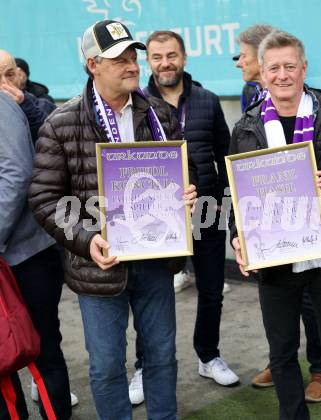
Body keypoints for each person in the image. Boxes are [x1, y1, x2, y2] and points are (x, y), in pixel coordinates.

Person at [28, 20, 197, 420]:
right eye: (118, 58)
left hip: (156, 261)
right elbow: (43, 198)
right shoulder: (61, 122)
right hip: (98, 267)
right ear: (92, 64)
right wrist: (87, 240)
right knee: (105, 368)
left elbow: (180, 175)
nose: (132, 65)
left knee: (162, 358)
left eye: (132, 56)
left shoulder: (159, 114)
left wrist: (185, 196)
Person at [229, 30, 321, 419]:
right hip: (275, 263)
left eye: (289, 66)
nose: (282, 75)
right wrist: (238, 239)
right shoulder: (246, 128)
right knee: (281, 354)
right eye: (273, 68)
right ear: (261, 73)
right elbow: (235, 198)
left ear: (303, 68)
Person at [126, 30, 237, 405]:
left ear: (185, 57)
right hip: (158, 218)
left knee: (210, 290)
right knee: (150, 295)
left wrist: (224, 200)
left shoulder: (206, 100)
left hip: (206, 210)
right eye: (156, 57)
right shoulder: (136, 104)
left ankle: (208, 355)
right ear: (148, 61)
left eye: (171, 55)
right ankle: (144, 366)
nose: (165, 63)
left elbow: (224, 153)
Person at [234, 24, 321, 402]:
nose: (239, 61)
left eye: (242, 54)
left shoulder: (312, 104)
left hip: (308, 219)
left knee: (310, 299)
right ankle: (283, 360)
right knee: (276, 297)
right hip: (267, 220)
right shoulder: (249, 97)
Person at [0, 48, 78, 409]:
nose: (7, 82)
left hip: (25, 256)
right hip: (14, 254)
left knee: (42, 352)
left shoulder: (6, 107)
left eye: (9, 72)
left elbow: (16, 175)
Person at [0, 50, 56, 143]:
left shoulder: (42, 105)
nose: (4, 83)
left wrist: (25, 105)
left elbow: (56, 137)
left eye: (10, 75)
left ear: (19, 76)